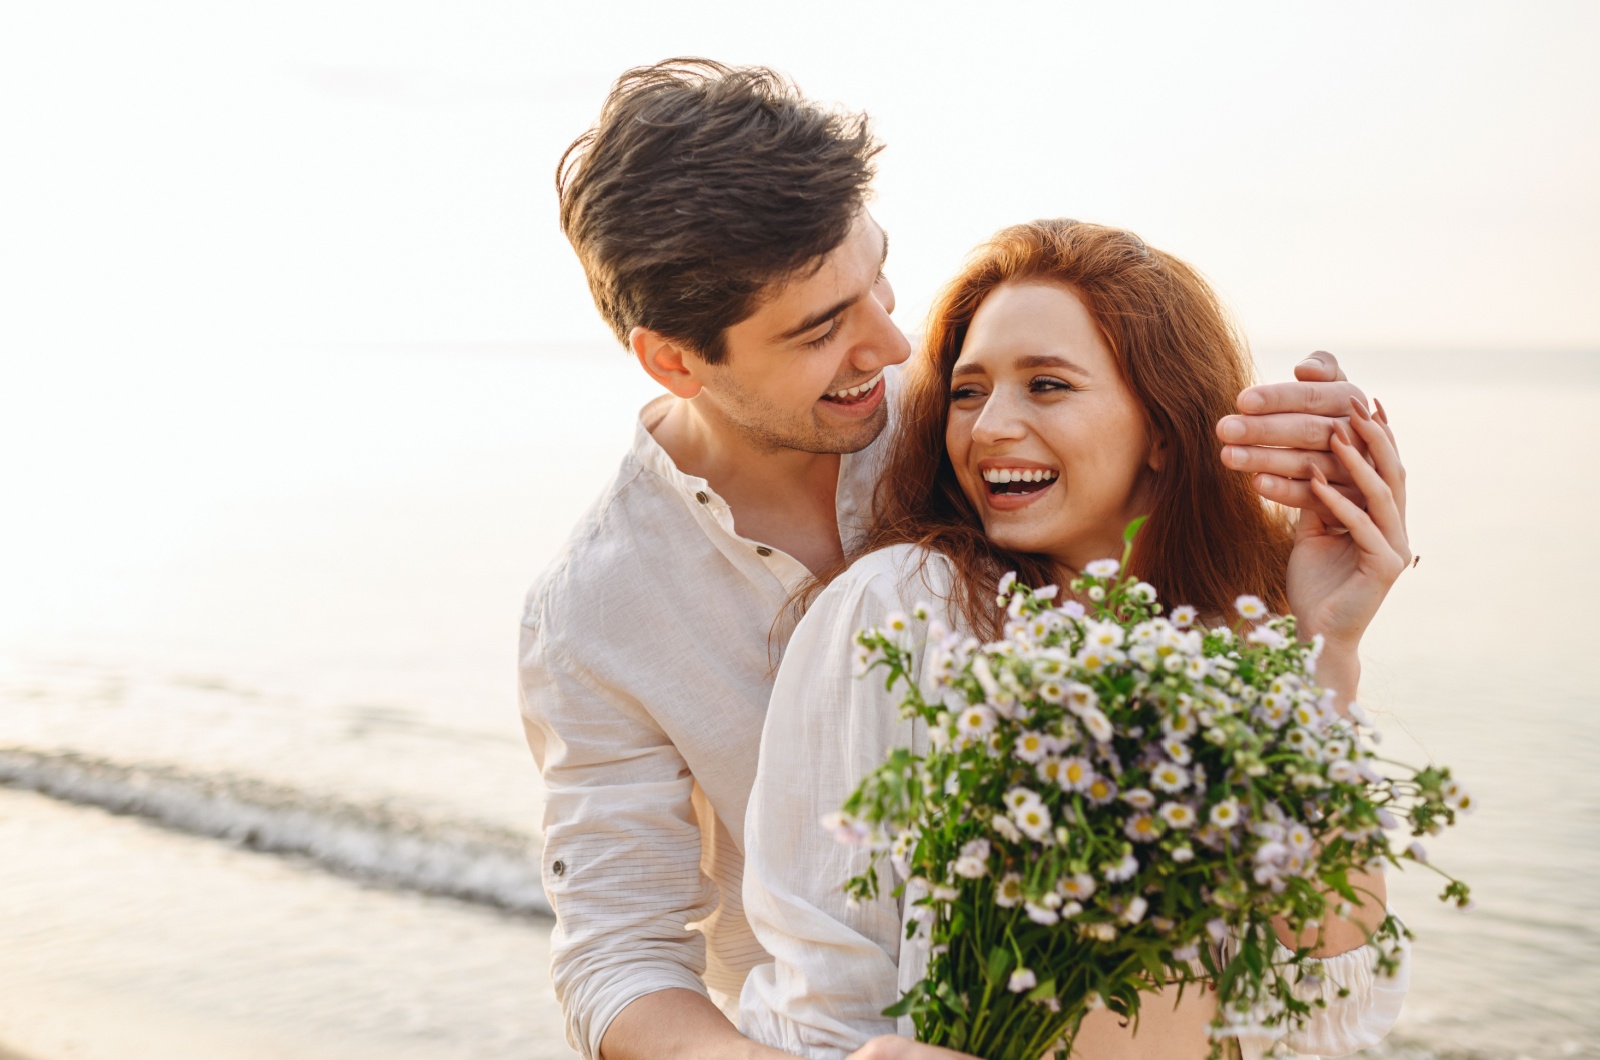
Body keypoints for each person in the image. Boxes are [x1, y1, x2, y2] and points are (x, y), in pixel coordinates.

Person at [521, 59, 1383, 1060]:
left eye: (876, 276)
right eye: (820, 328)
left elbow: (1300, 929)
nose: (891, 344)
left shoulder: (974, 428)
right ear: (675, 359)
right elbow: (616, 955)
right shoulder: (598, 608)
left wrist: (1292, 528)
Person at [739, 219, 1412, 1060]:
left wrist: (1327, 649)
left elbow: (1330, 1006)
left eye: (1047, 385)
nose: (988, 428)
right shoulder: (908, 610)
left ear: (1162, 429)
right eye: (968, 390)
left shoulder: (1240, 651)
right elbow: (825, 1001)